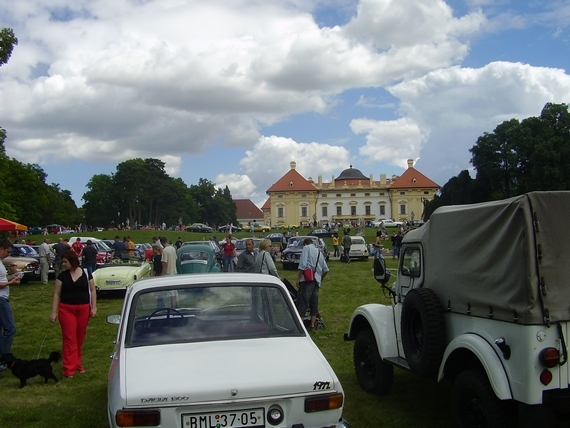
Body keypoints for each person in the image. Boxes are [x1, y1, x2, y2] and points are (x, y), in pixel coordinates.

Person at [50, 250, 97, 378]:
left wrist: (94, 307)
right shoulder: (62, 277)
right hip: (66, 309)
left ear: (72, 261)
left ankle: (77, 364)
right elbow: (56, 294)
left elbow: (92, 290)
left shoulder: (87, 273)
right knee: (69, 338)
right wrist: (54, 312)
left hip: (83, 309)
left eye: (65, 262)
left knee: (79, 338)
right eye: (63, 262)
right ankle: (68, 369)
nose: (63, 264)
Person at [295, 238, 329, 331]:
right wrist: (320, 278)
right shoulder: (319, 251)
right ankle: (312, 325)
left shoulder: (306, 249)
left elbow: (302, 264)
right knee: (314, 303)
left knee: (303, 302)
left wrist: (298, 279)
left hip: (306, 280)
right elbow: (326, 269)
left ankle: (300, 327)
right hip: (316, 280)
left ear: (305, 244)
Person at [0, 239, 21, 370]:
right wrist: (10, 283)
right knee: (10, 328)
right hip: (1, 299)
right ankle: (2, 358)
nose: (8, 254)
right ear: (1, 248)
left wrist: (11, 278)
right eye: (7, 251)